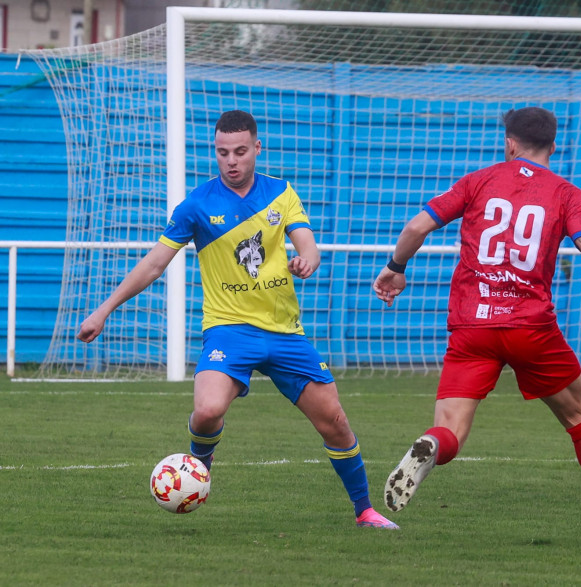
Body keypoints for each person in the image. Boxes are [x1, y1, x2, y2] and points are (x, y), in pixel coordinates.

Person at [77, 110, 399, 529]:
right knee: (208, 411)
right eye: (222, 152)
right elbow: (154, 264)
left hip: (284, 332)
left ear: (257, 149)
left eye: (241, 151)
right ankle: (200, 468)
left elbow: (309, 246)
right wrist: (103, 310)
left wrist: (307, 261)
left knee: (335, 422)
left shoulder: (281, 193)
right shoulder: (196, 205)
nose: (231, 161)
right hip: (229, 329)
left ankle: (365, 511)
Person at [373, 106, 581, 540]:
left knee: (450, 425)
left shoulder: (478, 180)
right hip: (531, 328)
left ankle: (432, 446)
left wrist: (396, 267)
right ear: (554, 146)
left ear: (509, 143)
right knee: (577, 415)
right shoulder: (566, 194)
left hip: (473, 325)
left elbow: (416, 226)